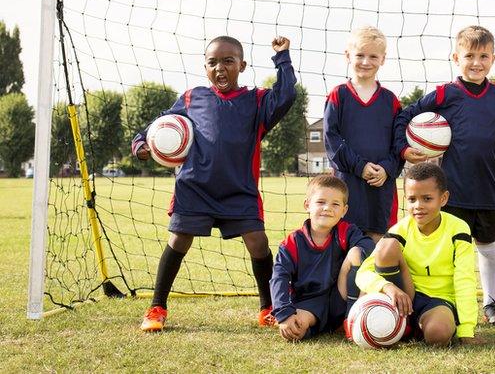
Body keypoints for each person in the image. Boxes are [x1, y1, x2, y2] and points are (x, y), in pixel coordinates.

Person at [132, 35, 296, 331]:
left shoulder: (257, 101)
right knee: (178, 240)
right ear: (205, 67)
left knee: (258, 244)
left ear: (242, 66)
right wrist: (141, 144)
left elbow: (285, 96)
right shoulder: (191, 98)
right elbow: (157, 127)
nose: (220, 68)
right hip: (195, 188)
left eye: (228, 61)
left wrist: (282, 57)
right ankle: (156, 307)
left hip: (239, 189)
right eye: (213, 62)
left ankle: (268, 307)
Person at [393, 26, 495, 324]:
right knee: (452, 250)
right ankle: (449, 301)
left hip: (487, 185)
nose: (476, 62)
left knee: (488, 246)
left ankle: (491, 303)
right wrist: (404, 150)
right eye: (469, 55)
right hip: (453, 188)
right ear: (455, 57)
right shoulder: (446, 93)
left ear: (493, 58)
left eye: (483, 56)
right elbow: (405, 115)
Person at [355, 162, 480, 345]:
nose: (418, 206)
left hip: (439, 301)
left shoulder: (458, 229)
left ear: (443, 198)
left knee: (438, 334)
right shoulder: (399, 231)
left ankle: (413, 327)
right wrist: (388, 287)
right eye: (412, 199)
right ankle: (397, 321)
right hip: (403, 296)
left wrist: (466, 329)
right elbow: (363, 273)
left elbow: (465, 279)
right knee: (387, 248)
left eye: (427, 199)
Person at [270, 175, 376, 341]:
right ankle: (322, 327)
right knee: (295, 331)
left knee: (357, 253)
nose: (327, 208)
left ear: (344, 210)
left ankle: (352, 319)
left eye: (335, 204)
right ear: (307, 205)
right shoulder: (292, 242)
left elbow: (369, 246)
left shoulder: (346, 231)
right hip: (309, 303)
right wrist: (284, 313)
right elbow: (279, 277)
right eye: (320, 202)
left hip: (340, 298)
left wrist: (357, 252)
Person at [324, 26, 403, 241]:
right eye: (360, 55)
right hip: (347, 182)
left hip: (381, 184)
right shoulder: (338, 95)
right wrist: (360, 166)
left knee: (379, 243)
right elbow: (331, 139)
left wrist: (386, 169)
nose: (366, 62)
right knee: (345, 241)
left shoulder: (391, 100)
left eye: (373, 56)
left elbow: (399, 144)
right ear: (348, 56)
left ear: (383, 59)